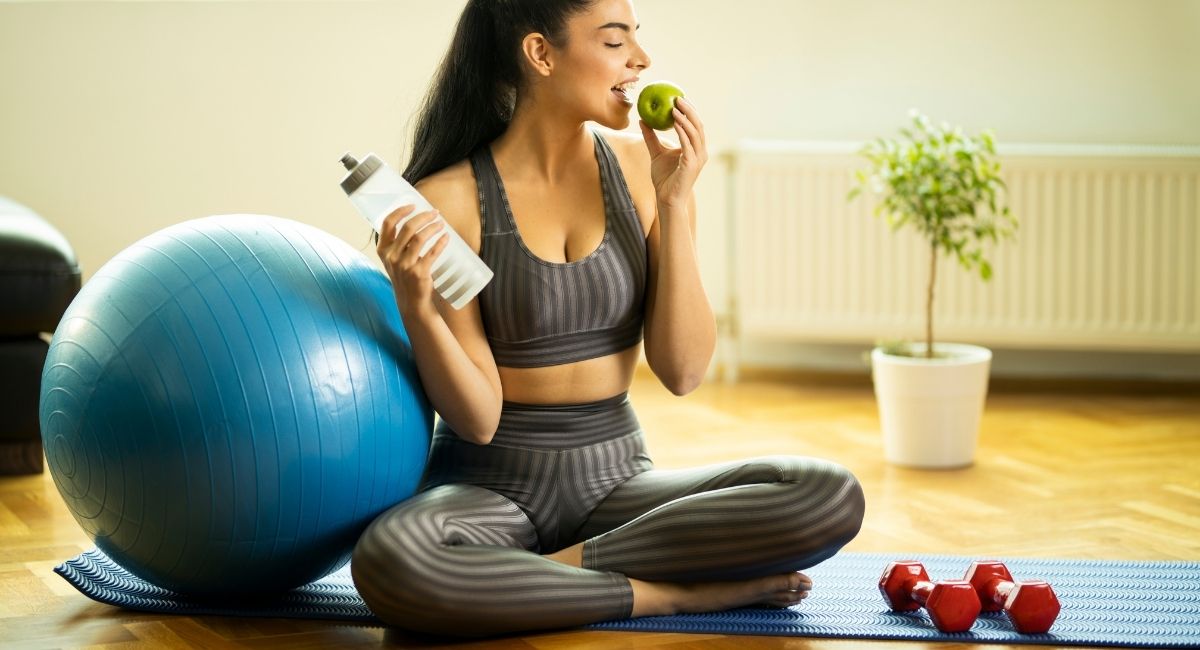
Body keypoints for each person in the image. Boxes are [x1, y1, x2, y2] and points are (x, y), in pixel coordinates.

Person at [351, 0, 865, 637]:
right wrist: (416, 305)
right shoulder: (448, 200)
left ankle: (539, 577)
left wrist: (675, 203)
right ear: (540, 54)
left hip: (618, 486)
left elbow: (682, 369)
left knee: (825, 493)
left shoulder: (645, 175)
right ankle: (669, 597)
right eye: (616, 42)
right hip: (491, 490)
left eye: (635, 42)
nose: (642, 62)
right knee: (390, 562)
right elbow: (479, 420)